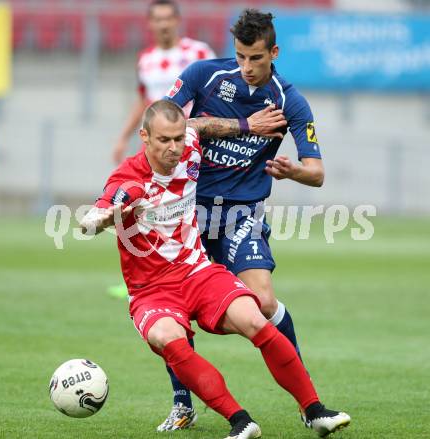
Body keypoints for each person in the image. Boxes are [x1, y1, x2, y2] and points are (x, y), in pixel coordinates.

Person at [80, 100, 351, 439]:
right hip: (152, 291)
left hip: (198, 272)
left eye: (178, 138)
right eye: (164, 140)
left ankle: (314, 411)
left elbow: (201, 127)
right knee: (168, 338)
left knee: (255, 317)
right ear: (144, 137)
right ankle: (240, 421)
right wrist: (100, 220)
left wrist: (247, 124)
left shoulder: (190, 147)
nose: (174, 147)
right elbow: (95, 215)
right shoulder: (128, 180)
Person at [160, 8, 327, 431]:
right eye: (240, 57)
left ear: (274, 52)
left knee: (265, 303)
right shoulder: (205, 75)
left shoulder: (291, 101)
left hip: (241, 216)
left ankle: (308, 403)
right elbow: (169, 124)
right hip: (189, 214)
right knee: (174, 311)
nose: (247, 67)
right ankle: (183, 405)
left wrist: (293, 172)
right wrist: (242, 125)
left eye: (256, 58)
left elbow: (317, 172)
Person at [112, 0, 215, 165]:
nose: (164, 24)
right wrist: (123, 138)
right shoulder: (145, 59)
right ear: (150, 23)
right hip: (157, 139)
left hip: (191, 136)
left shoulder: (199, 52)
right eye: (158, 19)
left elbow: (217, 94)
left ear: (177, 20)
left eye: (168, 18)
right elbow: (143, 101)